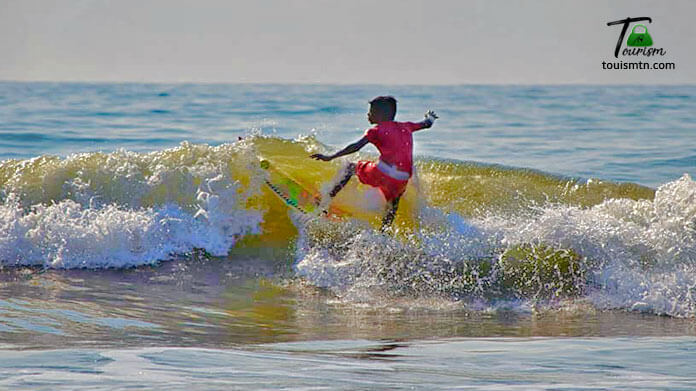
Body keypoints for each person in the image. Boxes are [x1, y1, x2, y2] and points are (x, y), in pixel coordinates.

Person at [310, 96, 438, 229]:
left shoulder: (375, 131)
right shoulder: (407, 126)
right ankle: (384, 232)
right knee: (392, 203)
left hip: (383, 172)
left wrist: (330, 156)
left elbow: (355, 147)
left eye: (371, 112)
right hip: (403, 178)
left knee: (350, 167)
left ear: (380, 114)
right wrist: (430, 118)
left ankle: (324, 202)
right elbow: (426, 124)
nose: (368, 115)